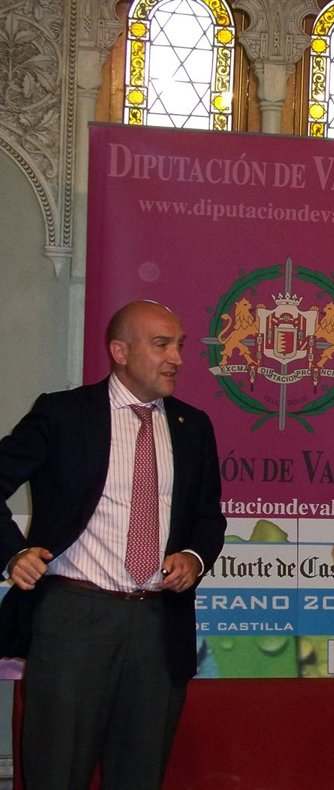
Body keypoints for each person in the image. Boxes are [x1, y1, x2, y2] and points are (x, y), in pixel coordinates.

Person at [0, 300, 226, 789]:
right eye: (161, 344)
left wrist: (194, 557)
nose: (177, 358)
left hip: (158, 625)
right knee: (57, 771)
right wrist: (13, 552)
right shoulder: (63, 414)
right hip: (74, 619)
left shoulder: (193, 426)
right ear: (120, 351)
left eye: (180, 345)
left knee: (140, 774)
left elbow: (209, 518)